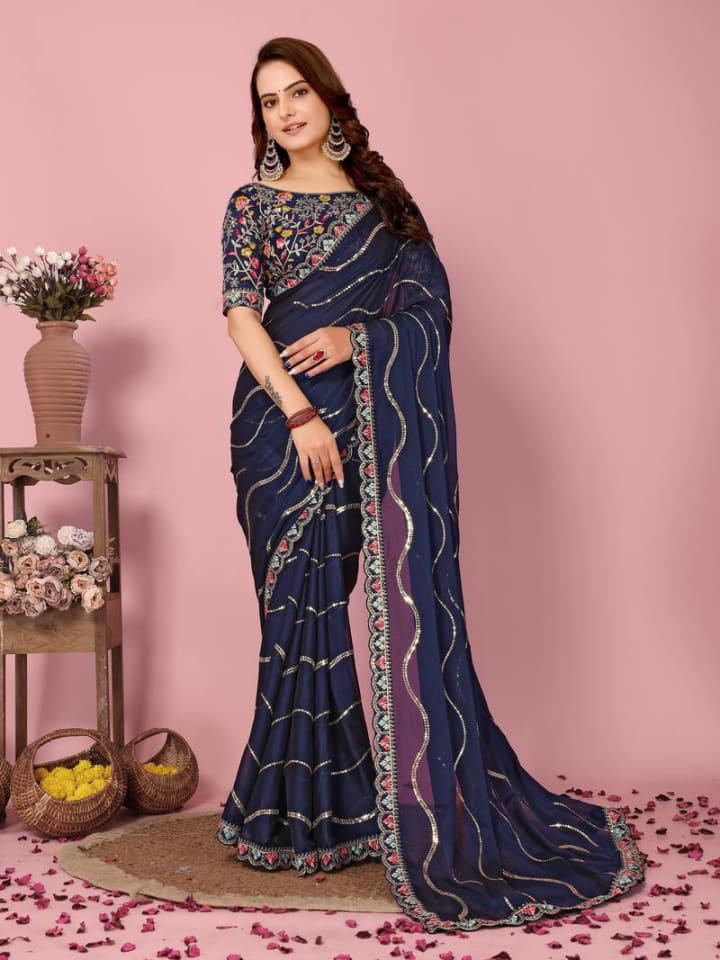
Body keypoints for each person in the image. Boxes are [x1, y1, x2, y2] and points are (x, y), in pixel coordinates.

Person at [216, 36, 646, 933]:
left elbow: (430, 313)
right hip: (278, 428)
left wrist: (356, 341)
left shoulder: (383, 204)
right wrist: (297, 411)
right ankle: (291, 814)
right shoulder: (250, 204)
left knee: (326, 603)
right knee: (289, 610)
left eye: (297, 93)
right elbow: (241, 315)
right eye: (269, 101)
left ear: (331, 99)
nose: (285, 111)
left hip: (366, 425)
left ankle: (332, 811)